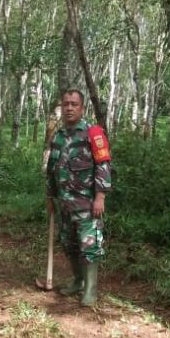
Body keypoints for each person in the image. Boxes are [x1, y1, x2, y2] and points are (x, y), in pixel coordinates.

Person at [46, 89, 112, 307]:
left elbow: (103, 166)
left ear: (82, 107)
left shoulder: (93, 134)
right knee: (69, 244)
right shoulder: (58, 136)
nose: (69, 108)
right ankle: (78, 280)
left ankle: (90, 290)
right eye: (66, 104)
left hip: (86, 204)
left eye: (74, 104)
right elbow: (51, 169)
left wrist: (100, 197)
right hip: (65, 203)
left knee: (89, 246)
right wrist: (50, 196)